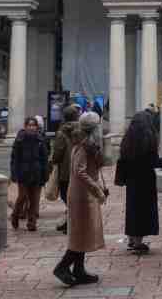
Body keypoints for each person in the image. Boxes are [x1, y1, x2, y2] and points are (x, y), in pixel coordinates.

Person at [53, 112, 107, 287]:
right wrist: (97, 189)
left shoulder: (90, 144)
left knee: (84, 233)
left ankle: (79, 270)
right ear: (93, 128)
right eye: (98, 125)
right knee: (79, 234)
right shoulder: (82, 146)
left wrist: (101, 149)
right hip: (81, 195)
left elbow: (103, 163)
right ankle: (62, 267)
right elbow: (79, 171)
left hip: (86, 194)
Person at [119, 111, 162, 252]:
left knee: (132, 209)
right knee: (144, 211)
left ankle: (131, 239)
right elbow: (153, 161)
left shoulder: (127, 139)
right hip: (145, 179)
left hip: (132, 179)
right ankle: (138, 243)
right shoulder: (149, 138)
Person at [11, 117, 49, 231]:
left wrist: (45, 174)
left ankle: (32, 223)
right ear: (25, 126)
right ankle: (15, 215)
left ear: (37, 127)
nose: (31, 127)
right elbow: (14, 158)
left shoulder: (40, 140)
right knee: (22, 197)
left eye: (33, 125)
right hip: (23, 172)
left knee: (34, 199)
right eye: (29, 125)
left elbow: (44, 159)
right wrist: (14, 173)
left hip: (37, 173)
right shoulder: (19, 140)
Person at [51, 105, 80, 234]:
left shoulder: (61, 133)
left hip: (65, 171)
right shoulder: (82, 130)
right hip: (79, 168)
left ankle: (72, 223)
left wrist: (53, 161)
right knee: (75, 197)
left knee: (66, 196)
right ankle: (70, 222)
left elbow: (57, 153)